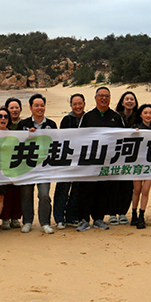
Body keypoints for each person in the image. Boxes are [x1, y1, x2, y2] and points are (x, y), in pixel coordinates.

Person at [77, 87, 123, 231]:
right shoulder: (88, 117)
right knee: (87, 191)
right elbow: (78, 136)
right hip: (90, 162)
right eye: (101, 95)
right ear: (95, 98)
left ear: (110, 98)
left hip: (108, 162)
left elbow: (124, 136)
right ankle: (84, 219)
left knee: (103, 191)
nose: (104, 98)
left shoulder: (116, 117)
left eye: (107, 96)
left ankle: (98, 219)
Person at [17, 93, 57, 234]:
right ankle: (27, 221)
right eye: (36, 105)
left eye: (42, 105)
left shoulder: (51, 125)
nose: (40, 108)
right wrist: (26, 137)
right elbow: (15, 144)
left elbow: (57, 143)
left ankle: (45, 222)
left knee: (44, 195)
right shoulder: (23, 124)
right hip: (27, 166)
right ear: (30, 108)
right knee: (26, 195)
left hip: (44, 166)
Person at [54, 93, 85, 229]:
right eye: (74, 104)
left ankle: (72, 217)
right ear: (71, 105)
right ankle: (59, 218)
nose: (77, 106)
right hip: (67, 160)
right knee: (63, 188)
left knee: (77, 189)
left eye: (80, 103)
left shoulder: (88, 119)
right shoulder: (67, 120)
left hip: (82, 160)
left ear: (84, 104)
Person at [130, 104, 151, 228]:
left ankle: (141, 215)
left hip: (150, 164)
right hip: (138, 163)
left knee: (146, 190)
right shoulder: (135, 127)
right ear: (141, 114)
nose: (148, 115)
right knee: (137, 190)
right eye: (145, 113)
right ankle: (134, 214)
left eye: (150, 113)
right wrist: (133, 133)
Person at [112, 91, 139, 225]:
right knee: (114, 185)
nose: (129, 101)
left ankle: (123, 212)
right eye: (126, 99)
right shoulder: (115, 116)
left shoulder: (139, 117)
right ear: (122, 102)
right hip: (116, 156)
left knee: (128, 187)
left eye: (132, 99)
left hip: (132, 158)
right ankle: (112, 212)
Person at [0, 98, 25, 229]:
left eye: (17, 107)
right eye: (11, 108)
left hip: (20, 162)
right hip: (5, 163)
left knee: (18, 191)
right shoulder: (3, 124)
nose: (14, 110)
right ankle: (5, 218)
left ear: (20, 109)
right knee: (6, 191)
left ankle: (15, 217)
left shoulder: (24, 124)